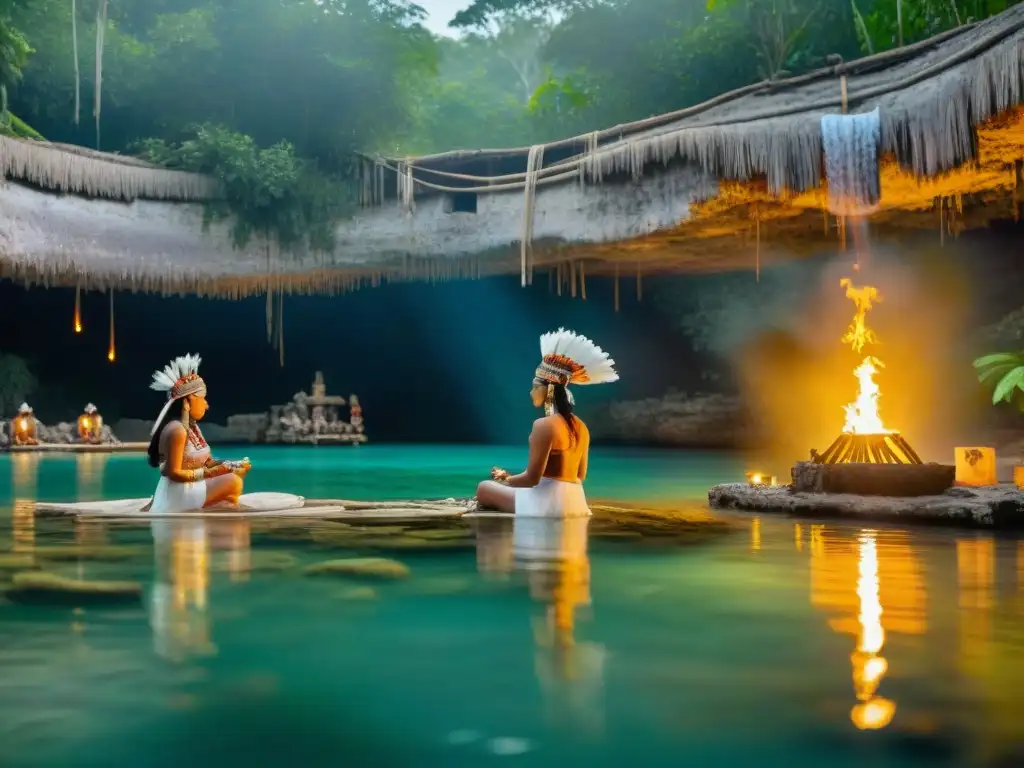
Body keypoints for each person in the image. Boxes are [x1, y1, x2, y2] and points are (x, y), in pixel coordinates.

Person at [477, 328, 618, 517]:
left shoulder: (543, 425)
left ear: (548, 388)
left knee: (484, 488)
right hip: (576, 502)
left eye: (535, 387)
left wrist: (506, 480)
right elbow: (580, 475)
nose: (531, 392)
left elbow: (532, 479)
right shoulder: (582, 427)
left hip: (546, 505)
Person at [145, 354, 251, 513]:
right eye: (203, 399)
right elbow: (174, 473)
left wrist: (230, 464)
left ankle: (219, 505)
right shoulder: (177, 430)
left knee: (235, 472)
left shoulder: (192, 427)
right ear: (187, 402)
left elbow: (207, 462)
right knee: (233, 482)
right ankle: (217, 507)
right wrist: (212, 472)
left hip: (190, 488)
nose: (206, 405)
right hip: (179, 493)